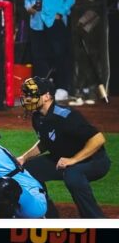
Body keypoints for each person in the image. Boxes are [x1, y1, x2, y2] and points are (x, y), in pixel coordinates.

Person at [17, 76, 110, 218]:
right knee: (28, 170)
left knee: (72, 174)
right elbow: (45, 141)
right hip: (63, 160)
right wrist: (24, 157)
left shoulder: (66, 116)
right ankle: (48, 214)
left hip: (95, 161)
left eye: (32, 95)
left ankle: (95, 220)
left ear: (47, 96)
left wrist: (73, 160)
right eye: (26, 95)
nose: (28, 99)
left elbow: (98, 139)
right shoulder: (38, 117)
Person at [24, 0, 75, 101]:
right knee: (38, 57)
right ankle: (42, 89)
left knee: (59, 54)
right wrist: (29, 7)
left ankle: (62, 88)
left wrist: (61, 13)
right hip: (36, 22)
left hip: (54, 20)